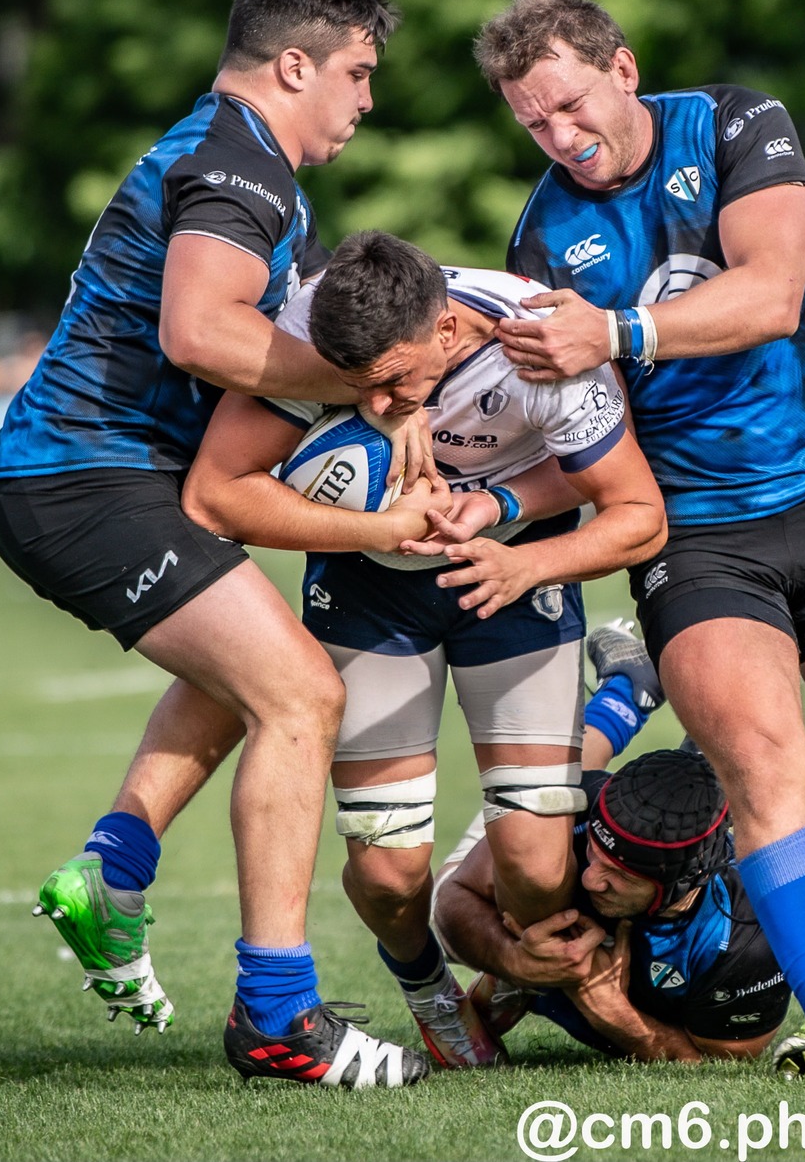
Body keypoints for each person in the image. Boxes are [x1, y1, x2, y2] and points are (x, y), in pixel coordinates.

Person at [474, 0, 805, 1079]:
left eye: (570, 105)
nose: (560, 137)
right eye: (531, 123)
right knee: (759, 764)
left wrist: (607, 329)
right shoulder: (539, 237)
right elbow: (580, 438)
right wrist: (499, 500)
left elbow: (768, 290)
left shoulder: (738, 124)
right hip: (691, 535)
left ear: (623, 69)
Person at [0, 0, 433, 1087]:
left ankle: (114, 867)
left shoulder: (234, 152)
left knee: (256, 671)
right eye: (358, 73)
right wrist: (357, 377)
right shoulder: (242, 168)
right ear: (294, 65)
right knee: (300, 693)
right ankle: (278, 1019)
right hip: (84, 476)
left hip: (87, 474)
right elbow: (195, 329)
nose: (367, 100)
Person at [180, 230, 666, 1068]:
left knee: (537, 864)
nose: (376, 404)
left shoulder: (543, 342)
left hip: (512, 570)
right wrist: (380, 529)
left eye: (395, 381)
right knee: (388, 876)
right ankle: (428, 988)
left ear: (446, 333)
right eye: (356, 389)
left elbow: (636, 512)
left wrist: (509, 523)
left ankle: (520, 976)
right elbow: (215, 497)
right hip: (370, 590)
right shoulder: (317, 325)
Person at [435, 746, 793, 1063]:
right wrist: (514, 961)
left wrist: (617, 1015)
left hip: (670, 966)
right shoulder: (578, 809)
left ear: (682, 884)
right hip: (560, 803)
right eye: (595, 850)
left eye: (622, 874)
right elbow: (453, 899)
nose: (591, 878)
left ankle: (633, 691)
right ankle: (625, 696)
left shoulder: (749, 933)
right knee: (440, 900)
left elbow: (719, 1063)